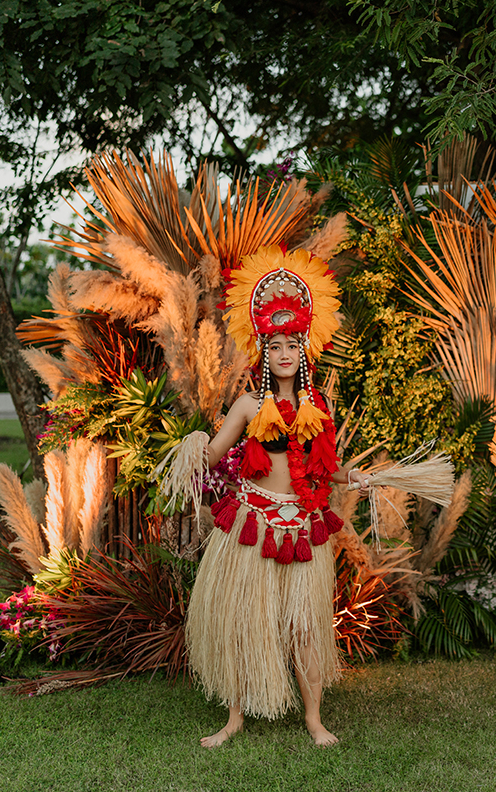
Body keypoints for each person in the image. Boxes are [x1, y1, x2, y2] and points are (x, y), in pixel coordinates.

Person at [181, 246, 370, 749]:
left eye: (293, 343)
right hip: (253, 521)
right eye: (275, 344)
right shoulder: (247, 404)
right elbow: (217, 453)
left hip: (302, 523)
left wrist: (357, 479)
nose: (284, 352)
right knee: (245, 622)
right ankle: (235, 718)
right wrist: (194, 449)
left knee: (306, 628)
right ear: (262, 351)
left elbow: (326, 469)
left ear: (304, 348)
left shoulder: (317, 406)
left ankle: (313, 720)